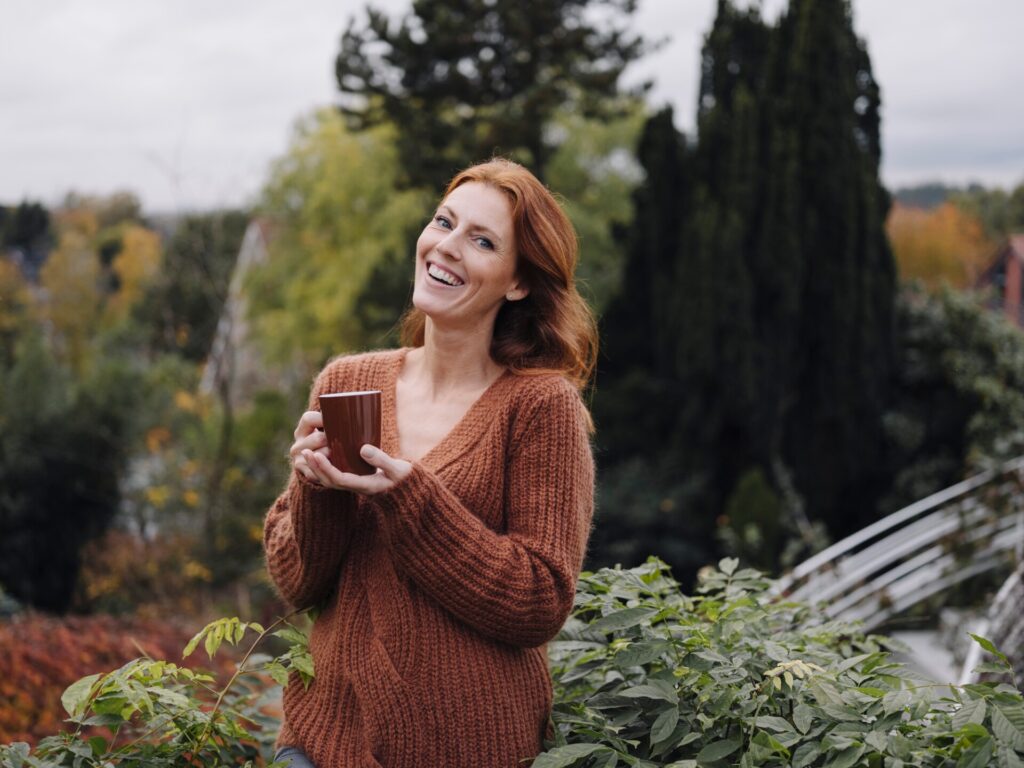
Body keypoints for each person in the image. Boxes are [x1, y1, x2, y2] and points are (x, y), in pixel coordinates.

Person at [263, 158, 597, 768]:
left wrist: (411, 502)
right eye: (444, 221)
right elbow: (299, 585)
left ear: (518, 282)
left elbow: (541, 601)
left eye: (482, 240)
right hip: (320, 743)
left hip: (472, 751)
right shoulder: (348, 381)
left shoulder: (540, 406)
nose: (445, 247)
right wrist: (317, 491)